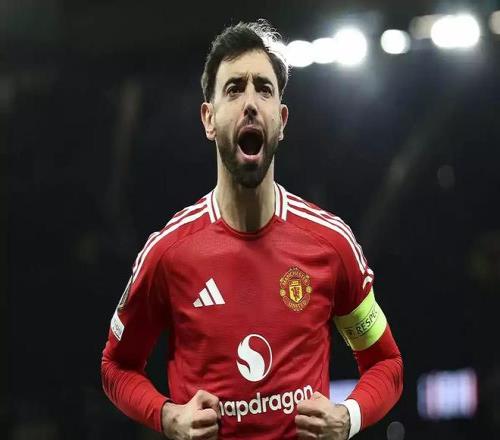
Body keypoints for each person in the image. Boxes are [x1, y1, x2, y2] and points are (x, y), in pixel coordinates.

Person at [101, 20, 403, 440]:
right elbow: (116, 366)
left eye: (263, 89)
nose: (250, 103)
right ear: (208, 119)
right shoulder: (168, 253)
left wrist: (348, 417)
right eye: (233, 89)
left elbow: (386, 363)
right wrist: (167, 416)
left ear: (281, 120)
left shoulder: (331, 244)